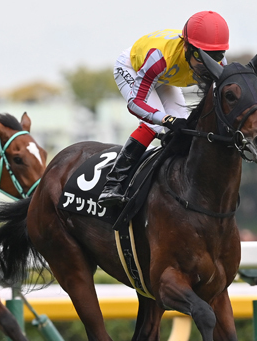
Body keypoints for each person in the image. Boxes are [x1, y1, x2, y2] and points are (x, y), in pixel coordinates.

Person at [97, 11, 229, 208]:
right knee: (154, 125)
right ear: (186, 46)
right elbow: (136, 103)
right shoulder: (159, 58)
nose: (206, 65)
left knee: (185, 131)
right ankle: (113, 183)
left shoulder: (219, 65)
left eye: (215, 56)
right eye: (200, 56)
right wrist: (166, 120)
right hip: (134, 67)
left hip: (166, 77)